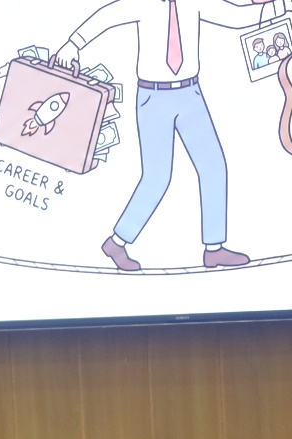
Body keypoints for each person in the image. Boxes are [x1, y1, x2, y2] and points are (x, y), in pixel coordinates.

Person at [55, 0, 267, 271]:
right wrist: (73, 43)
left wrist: (286, 6)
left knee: (214, 167)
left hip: (190, 94)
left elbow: (236, 17)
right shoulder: (140, 4)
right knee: (157, 178)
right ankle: (117, 242)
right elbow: (106, 16)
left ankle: (214, 248)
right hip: (153, 97)